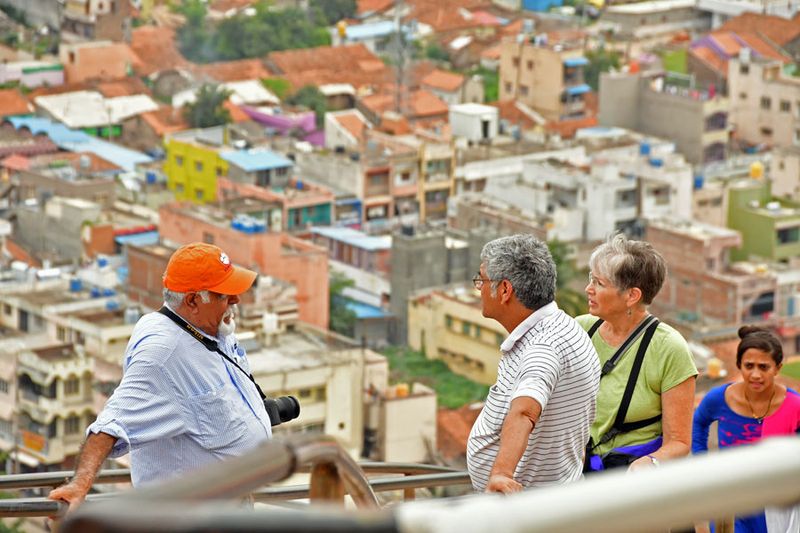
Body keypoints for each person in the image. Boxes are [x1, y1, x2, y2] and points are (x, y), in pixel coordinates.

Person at [49, 243, 272, 510]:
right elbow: (111, 424)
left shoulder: (211, 329)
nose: (235, 299)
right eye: (224, 294)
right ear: (192, 300)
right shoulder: (163, 354)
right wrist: (79, 486)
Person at [467, 234, 601, 494]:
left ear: (505, 290)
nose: (479, 288)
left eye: (482, 280)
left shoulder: (543, 348)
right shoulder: (564, 328)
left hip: (528, 507)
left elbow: (525, 411)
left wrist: (501, 474)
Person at [579, 234, 697, 473]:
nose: (588, 289)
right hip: (577, 469)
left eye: (599, 283)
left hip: (630, 478)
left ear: (632, 296)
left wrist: (649, 463)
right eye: (592, 279)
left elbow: (679, 443)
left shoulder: (669, 348)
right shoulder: (581, 329)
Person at [692, 326, 800, 533]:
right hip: (731, 501)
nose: (755, 375)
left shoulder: (795, 405)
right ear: (738, 365)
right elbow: (699, 423)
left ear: (778, 368)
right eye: (749, 366)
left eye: (764, 367)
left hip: (776, 508)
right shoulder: (719, 398)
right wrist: (701, 462)